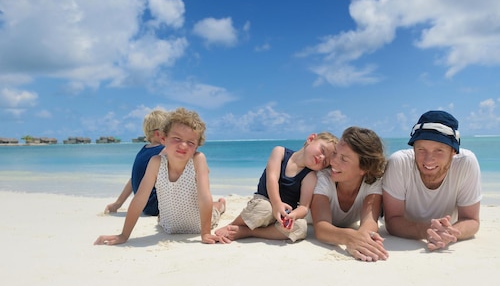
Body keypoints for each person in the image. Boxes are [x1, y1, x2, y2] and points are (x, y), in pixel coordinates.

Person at [94, 107, 225, 245]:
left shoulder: (198, 160)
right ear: (163, 138)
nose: (183, 145)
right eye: (177, 138)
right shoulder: (156, 163)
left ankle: (221, 205)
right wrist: (123, 235)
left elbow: (204, 197)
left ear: (197, 146)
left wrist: (205, 233)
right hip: (167, 225)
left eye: (191, 142)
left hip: (198, 224)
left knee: (214, 208)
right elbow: (139, 199)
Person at [382, 110, 481, 251]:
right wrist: (426, 231)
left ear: (453, 151)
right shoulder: (399, 162)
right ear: (414, 148)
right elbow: (392, 221)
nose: (428, 159)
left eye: (439, 150)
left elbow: (472, 220)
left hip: (447, 227)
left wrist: (449, 233)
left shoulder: (466, 162)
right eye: (421, 149)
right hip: (411, 229)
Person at [215, 132, 338, 243]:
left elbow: (304, 207)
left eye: (325, 162)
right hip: (265, 200)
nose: (321, 158)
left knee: (301, 227)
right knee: (264, 209)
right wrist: (277, 204)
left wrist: (293, 215)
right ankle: (232, 226)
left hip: (283, 215)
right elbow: (272, 179)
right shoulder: (280, 152)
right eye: (322, 150)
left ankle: (249, 231)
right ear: (311, 139)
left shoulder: (310, 176)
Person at [310, 127, 388, 262]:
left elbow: (369, 221)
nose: (333, 162)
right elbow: (321, 228)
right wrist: (349, 237)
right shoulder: (324, 178)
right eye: (334, 153)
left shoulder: (372, 183)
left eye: (344, 159)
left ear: (364, 168)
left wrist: (364, 239)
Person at [104, 109, 168, 216]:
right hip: (156, 206)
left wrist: (117, 204)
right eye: (170, 130)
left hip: (144, 206)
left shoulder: (144, 150)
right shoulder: (164, 150)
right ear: (158, 133)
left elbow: (133, 179)